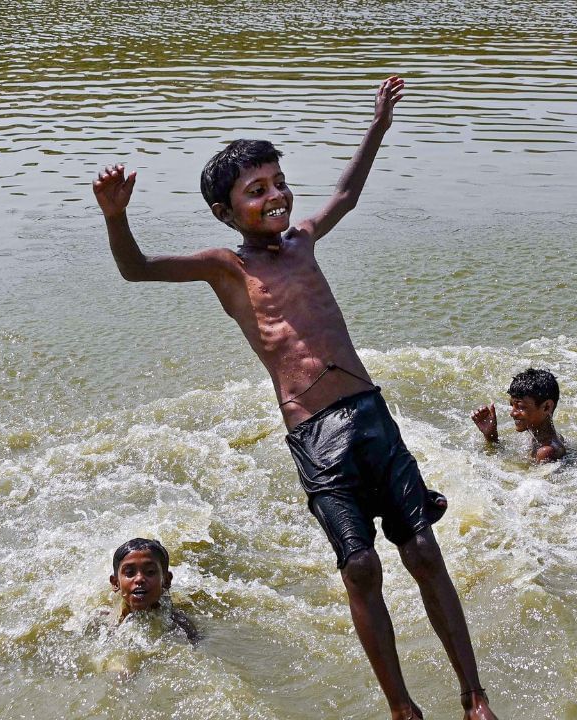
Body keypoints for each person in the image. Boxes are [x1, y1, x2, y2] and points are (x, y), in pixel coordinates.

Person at [93, 76, 496, 720]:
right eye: (257, 191)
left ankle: (473, 696)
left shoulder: (304, 240)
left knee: (422, 549)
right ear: (227, 214)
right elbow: (136, 269)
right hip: (314, 434)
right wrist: (116, 217)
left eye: (278, 182)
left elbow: (348, 192)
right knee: (361, 568)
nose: (275, 196)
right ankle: (402, 706)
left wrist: (379, 125)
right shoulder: (227, 268)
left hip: (370, 414)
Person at [471, 368, 568, 463]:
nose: (512, 413)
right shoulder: (544, 438)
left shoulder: (546, 452)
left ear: (546, 407)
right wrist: (491, 436)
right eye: (512, 405)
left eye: (520, 407)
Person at [109, 537, 198, 640]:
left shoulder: (182, 627)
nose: (139, 579)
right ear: (115, 583)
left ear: (166, 580)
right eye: (129, 573)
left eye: (150, 572)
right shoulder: (105, 624)